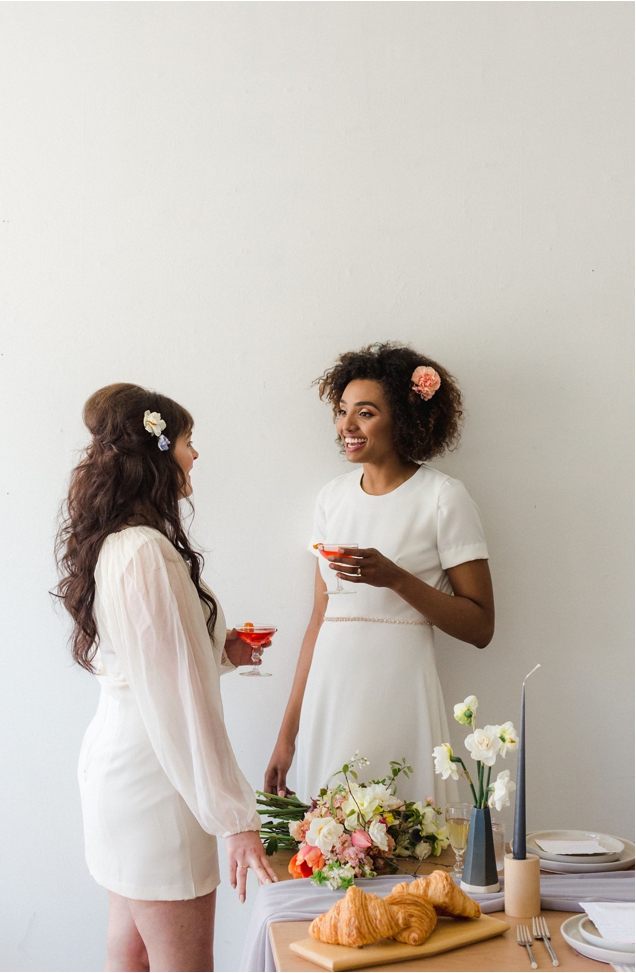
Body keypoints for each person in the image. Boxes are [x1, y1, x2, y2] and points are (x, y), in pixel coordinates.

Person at [55, 383, 276, 973]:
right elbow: (179, 701)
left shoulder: (121, 544)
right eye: (187, 441)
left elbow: (147, 665)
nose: (195, 455)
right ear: (157, 452)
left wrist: (221, 650)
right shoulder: (145, 551)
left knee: (129, 951)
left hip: (127, 769)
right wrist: (234, 818)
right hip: (157, 782)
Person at [265, 343, 494, 809]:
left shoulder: (443, 498)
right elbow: (319, 620)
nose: (346, 426)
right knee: (329, 840)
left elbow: (480, 627)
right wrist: (287, 735)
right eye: (342, 411)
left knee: (409, 831)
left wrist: (396, 578)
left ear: (405, 420)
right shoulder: (331, 498)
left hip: (400, 688)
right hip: (331, 689)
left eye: (364, 413)